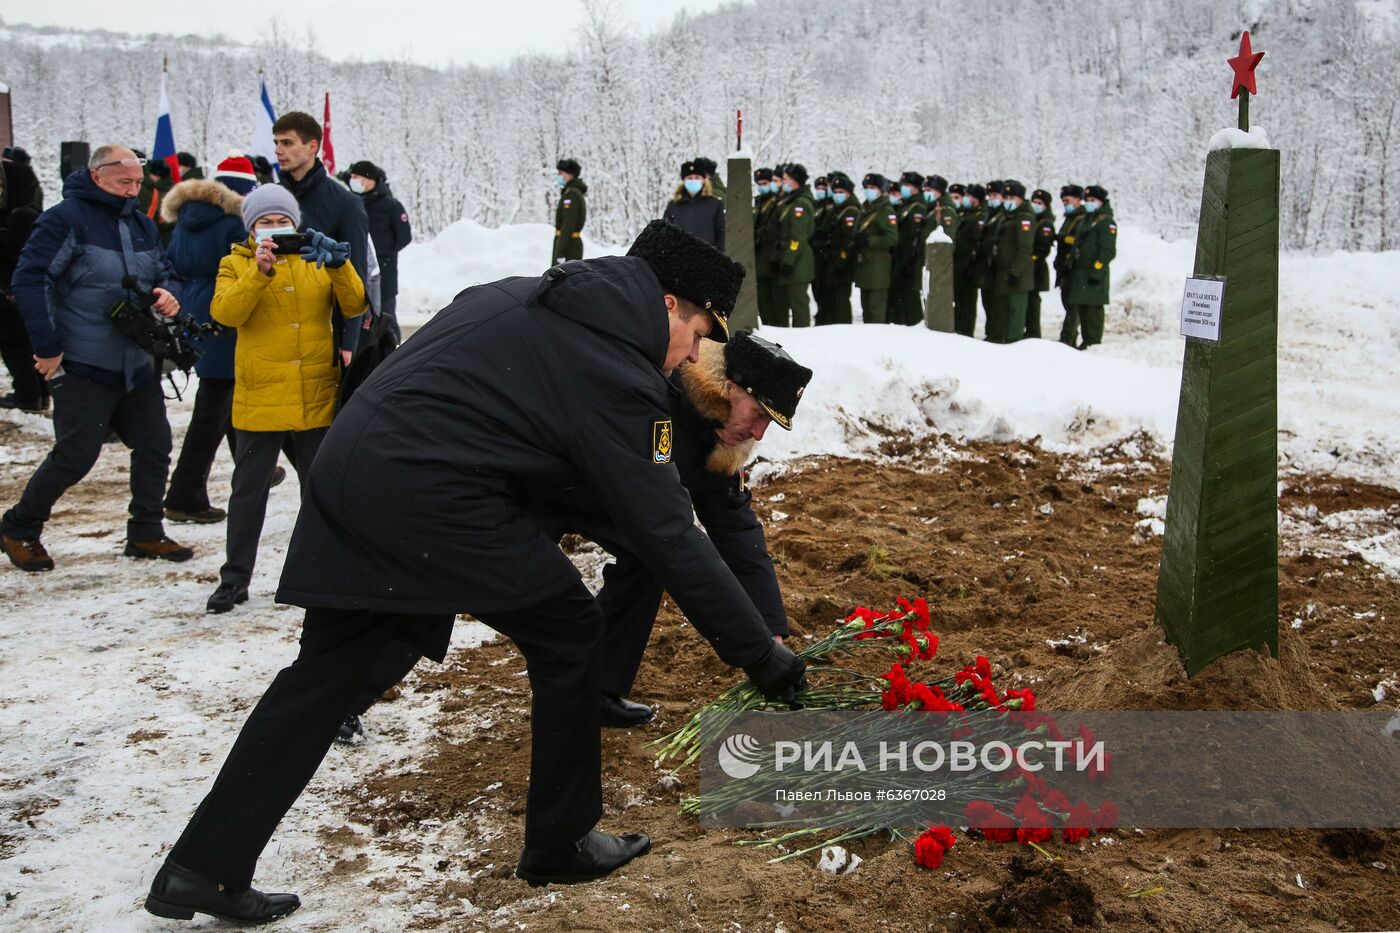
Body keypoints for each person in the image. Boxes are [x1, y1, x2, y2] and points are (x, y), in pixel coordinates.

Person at [145, 221, 806, 923]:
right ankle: (561, 840)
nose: (696, 353)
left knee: (325, 675)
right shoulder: (615, 366)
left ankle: (201, 867)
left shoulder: (529, 297)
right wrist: (760, 655)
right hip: (428, 493)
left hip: (356, 469)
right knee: (569, 628)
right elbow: (668, 531)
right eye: (699, 331)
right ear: (670, 304)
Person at [552, 330, 812, 724]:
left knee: (646, 555)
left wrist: (770, 630)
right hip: (561, 480)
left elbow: (737, 531)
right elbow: (664, 526)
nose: (759, 433)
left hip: (625, 500)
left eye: (769, 424)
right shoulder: (662, 395)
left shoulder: (724, 440)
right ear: (730, 388)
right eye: (758, 414)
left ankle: (596, 689)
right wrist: (755, 651)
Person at [1, 145, 193, 572]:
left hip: (135, 361)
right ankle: (19, 526)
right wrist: (46, 345)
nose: (133, 190)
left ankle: (146, 531)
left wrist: (168, 293)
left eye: (138, 182)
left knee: (155, 445)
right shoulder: (64, 219)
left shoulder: (141, 224)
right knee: (76, 455)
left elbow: (164, 272)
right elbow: (31, 279)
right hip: (82, 361)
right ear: (97, 176)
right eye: (125, 182)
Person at [205, 185, 367, 614]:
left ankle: (324, 573)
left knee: (320, 491)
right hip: (261, 397)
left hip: (315, 392)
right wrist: (259, 272)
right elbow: (226, 314)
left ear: (296, 224)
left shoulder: (314, 259)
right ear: (251, 228)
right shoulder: (234, 263)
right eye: (265, 222)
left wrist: (340, 264)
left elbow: (355, 305)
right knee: (248, 493)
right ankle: (234, 579)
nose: (275, 229)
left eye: (283, 221)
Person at [161, 155, 258, 525]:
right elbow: (244, 272)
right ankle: (184, 494)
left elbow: (173, 263)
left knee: (225, 395)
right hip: (223, 313)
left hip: (194, 311)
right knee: (213, 407)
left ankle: (254, 467)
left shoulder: (188, 219)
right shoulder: (235, 223)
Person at [273, 111, 372, 360]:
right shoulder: (271, 197)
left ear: (312, 146)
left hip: (323, 330)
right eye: (276, 143)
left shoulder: (345, 203)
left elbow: (356, 273)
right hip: (275, 325)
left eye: (287, 143)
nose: (278, 150)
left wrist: (349, 340)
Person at [347, 160, 413, 343]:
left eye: (356, 177)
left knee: (385, 317)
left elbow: (404, 236)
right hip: (357, 269)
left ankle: (394, 350)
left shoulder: (390, 205)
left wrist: (385, 255)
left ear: (370, 179)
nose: (353, 180)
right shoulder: (353, 203)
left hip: (384, 273)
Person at [0, 206, 48, 413]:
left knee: (15, 352)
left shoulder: (7, 242)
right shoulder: (40, 245)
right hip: (33, 304)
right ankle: (42, 394)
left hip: (9, 307)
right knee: (32, 350)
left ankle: (27, 397)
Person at [1063, 184, 1116, 349]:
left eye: (1093, 200)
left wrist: (1097, 271)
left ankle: (1092, 344)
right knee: (1083, 311)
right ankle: (1086, 342)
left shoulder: (1106, 222)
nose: (1089, 203)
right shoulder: (1087, 220)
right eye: (1088, 200)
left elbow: (1107, 251)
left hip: (1093, 274)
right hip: (1080, 273)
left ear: (1101, 201)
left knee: (1093, 312)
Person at [987, 180, 1035, 343]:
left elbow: (1024, 249)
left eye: (1012, 197)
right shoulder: (1007, 217)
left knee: (1015, 315)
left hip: (1017, 275)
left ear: (1020, 198)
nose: (1008, 201)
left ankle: (1013, 345)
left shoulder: (1024, 218)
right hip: (1002, 273)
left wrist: (1015, 272)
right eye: (1006, 197)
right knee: (1001, 314)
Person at [769, 163, 815, 327]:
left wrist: (788, 260)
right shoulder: (791, 200)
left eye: (787, 179)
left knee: (798, 304)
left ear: (796, 181)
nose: (784, 182)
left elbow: (798, 238)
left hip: (798, 261)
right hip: (793, 259)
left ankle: (802, 335)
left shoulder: (800, 204)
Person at [815, 172, 861, 325]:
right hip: (831, 260)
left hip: (843, 262)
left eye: (841, 192)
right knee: (832, 300)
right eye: (835, 192)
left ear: (848, 193)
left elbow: (850, 240)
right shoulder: (836, 209)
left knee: (841, 301)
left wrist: (841, 260)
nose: (837, 195)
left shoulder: (851, 211)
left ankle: (843, 328)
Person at [853, 173, 898, 324]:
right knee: (866, 309)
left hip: (878, 267)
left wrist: (869, 241)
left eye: (872, 187)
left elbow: (892, 238)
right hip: (865, 266)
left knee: (876, 311)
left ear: (881, 190)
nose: (868, 190)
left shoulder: (886, 211)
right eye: (866, 187)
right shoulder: (866, 208)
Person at [891, 171, 926, 326]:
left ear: (916, 188)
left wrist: (907, 261)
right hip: (900, 258)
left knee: (911, 301)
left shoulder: (917, 208)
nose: (903, 188)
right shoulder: (906, 205)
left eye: (907, 185)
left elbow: (914, 237)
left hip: (909, 261)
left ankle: (915, 328)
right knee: (900, 301)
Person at [662, 160, 724, 247]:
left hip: (706, 254)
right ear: (684, 181)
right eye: (690, 178)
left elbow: (722, 235)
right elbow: (665, 235)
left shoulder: (716, 204)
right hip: (679, 254)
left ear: (703, 180)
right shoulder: (673, 205)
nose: (693, 180)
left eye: (697, 178)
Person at [951, 183, 987, 337]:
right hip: (959, 264)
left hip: (969, 266)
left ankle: (965, 333)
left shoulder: (980, 216)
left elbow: (976, 242)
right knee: (959, 303)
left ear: (976, 199)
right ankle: (958, 330)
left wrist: (971, 264)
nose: (965, 199)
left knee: (967, 304)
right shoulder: (964, 213)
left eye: (968, 196)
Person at [1054, 184, 1086, 344]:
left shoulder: (1082, 218)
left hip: (1074, 268)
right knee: (1067, 303)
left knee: (1073, 307)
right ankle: (1070, 340)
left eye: (1068, 200)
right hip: (1065, 268)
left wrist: (1065, 238)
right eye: (1063, 201)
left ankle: (1067, 339)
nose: (1065, 203)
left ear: (1078, 200)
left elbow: (1080, 241)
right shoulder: (1070, 218)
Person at [975, 180, 1006, 339]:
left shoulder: (1003, 215)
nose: (992, 198)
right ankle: (990, 332)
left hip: (996, 266)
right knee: (987, 302)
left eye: (995, 195)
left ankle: (996, 334)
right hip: (985, 266)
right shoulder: (990, 213)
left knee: (996, 305)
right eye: (990, 195)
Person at [1026, 188, 1057, 340]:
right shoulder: (1034, 219)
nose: (1036, 205)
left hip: (1036, 268)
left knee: (1033, 302)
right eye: (1034, 202)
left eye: (1040, 203)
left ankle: (1033, 333)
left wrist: (1032, 259)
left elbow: (1043, 248)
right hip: (1029, 267)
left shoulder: (1046, 223)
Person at [752, 167, 778, 325]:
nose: (762, 186)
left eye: (765, 183)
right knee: (764, 300)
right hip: (760, 258)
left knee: (775, 301)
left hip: (773, 256)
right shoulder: (760, 202)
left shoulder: (777, 202)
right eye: (759, 184)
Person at [552, 158, 587, 265]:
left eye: (561, 173)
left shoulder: (571, 195)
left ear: (569, 174)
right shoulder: (573, 193)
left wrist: (560, 252)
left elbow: (568, 225)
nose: (559, 176)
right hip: (570, 245)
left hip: (569, 247)